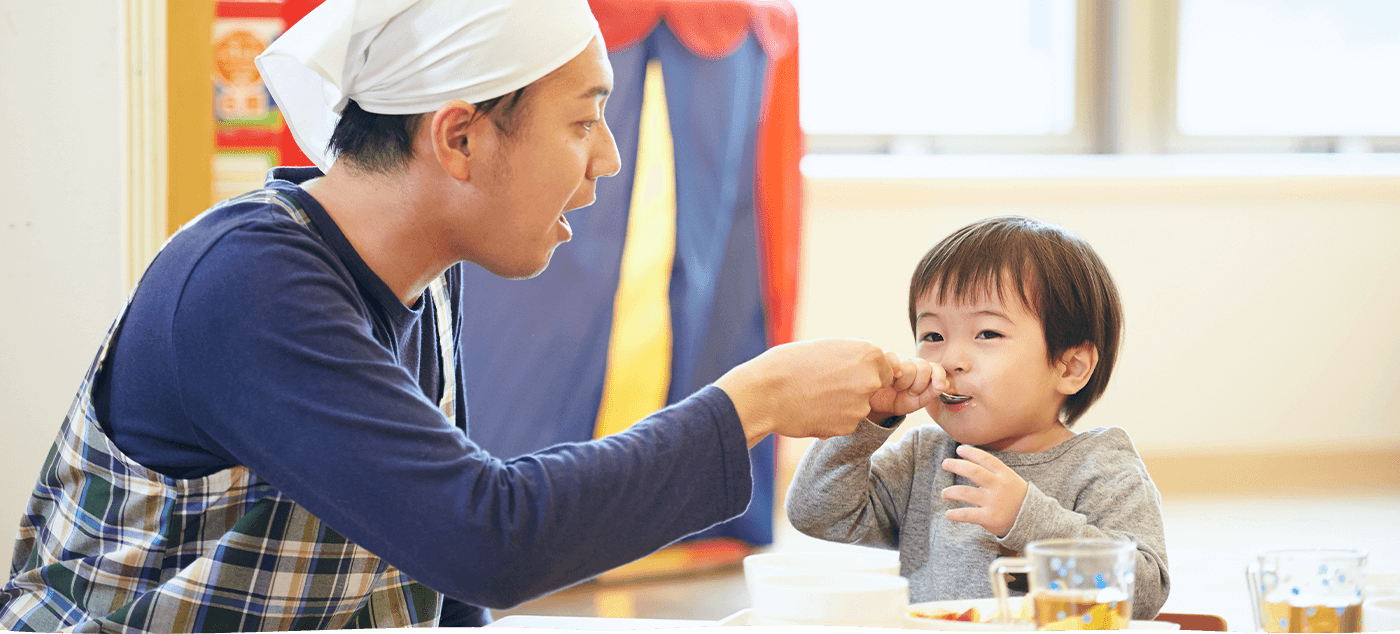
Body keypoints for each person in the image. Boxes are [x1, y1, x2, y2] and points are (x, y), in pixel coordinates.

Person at [0, 0, 938, 631]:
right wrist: (754, 401)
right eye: (582, 121)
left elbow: (439, 580)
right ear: (458, 136)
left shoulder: (422, 281)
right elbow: (484, 537)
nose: (606, 160)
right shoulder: (247, 283)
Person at [784, 215, 1170, 619]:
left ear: (1070, 367)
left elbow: (1144, 591)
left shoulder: (1102, 468)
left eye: (987, 334)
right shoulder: (923, 458)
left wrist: (1028, 519)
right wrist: (867, 422)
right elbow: (817, 514)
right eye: (933, 336)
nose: (950, 359)